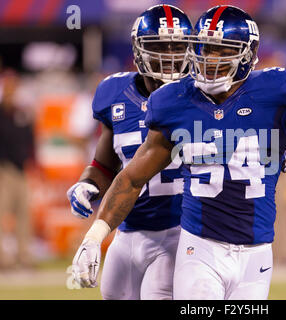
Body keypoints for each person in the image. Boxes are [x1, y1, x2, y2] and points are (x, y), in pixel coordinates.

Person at [71, 5, 286, 300]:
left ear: (247, 55)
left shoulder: (274, 92)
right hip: (197, 244)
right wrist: (95, 235)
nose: (210, 59)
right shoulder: (174, 99)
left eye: (222, 51)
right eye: (205, 49)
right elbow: (131, 177)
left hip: (257, 251)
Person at [67, 4, 193, 300]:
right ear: (138, 50)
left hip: (179, 233)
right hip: (127, 231)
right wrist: (87, 183)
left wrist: (270, 148)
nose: (170, 56)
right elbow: (103, 164)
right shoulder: (114, 93)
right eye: (160, 46)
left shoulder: (199, 94)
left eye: (178, 47)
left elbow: (238, 126)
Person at [0, 70, 35, 269]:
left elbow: (30, 140)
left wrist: (31, 163)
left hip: (21, 169)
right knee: (1, 214)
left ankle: (24, 256)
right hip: (4, 170)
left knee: (24, 215)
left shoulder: (22, 113)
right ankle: (2, 259)